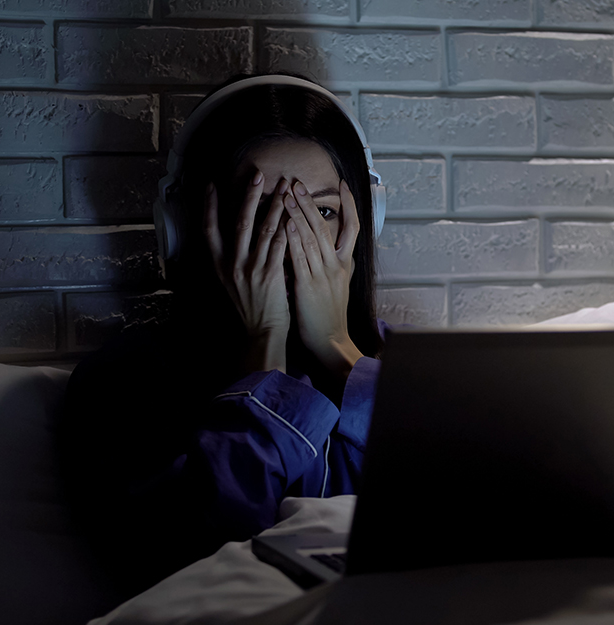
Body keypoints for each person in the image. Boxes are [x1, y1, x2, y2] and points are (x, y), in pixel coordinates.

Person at [56, 73, 389, 597]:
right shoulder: (123, 382)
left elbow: (477, 502)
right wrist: (264, 350)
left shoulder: (415, 368)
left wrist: (339, 349)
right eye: (256, 209)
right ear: (186, 226)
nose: (286, 236)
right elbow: (189, 562)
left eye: (319, 211)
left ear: (364, 222)